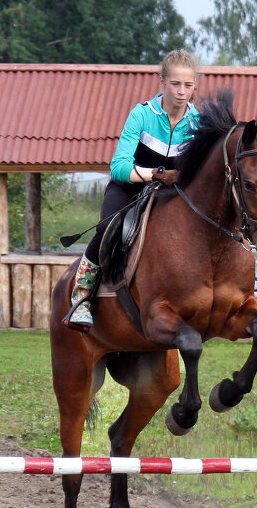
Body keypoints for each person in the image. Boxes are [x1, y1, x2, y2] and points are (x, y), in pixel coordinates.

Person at [65, 50, 201, 331]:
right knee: (107, 227)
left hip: (171, 195)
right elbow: (118, 167)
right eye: (175, 84)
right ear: (162, 80)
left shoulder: (197, 123)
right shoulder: (141, 114)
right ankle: (82, 297)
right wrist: (156, 174)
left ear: (195, 86)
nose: (181, 91)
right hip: (129, 188)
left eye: (188, 86)